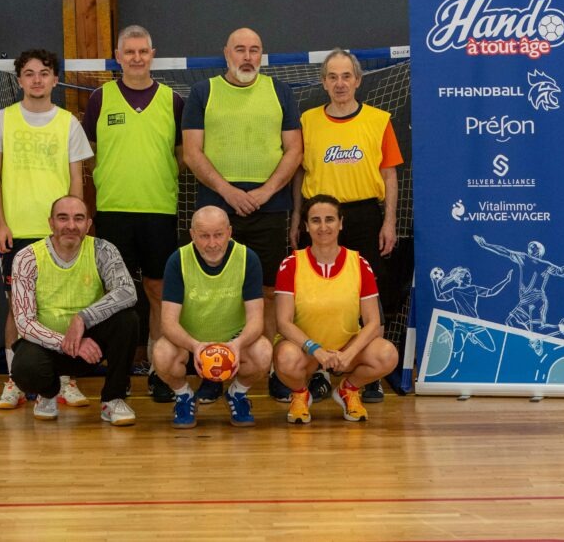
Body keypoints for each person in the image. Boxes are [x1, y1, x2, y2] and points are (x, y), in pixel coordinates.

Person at [182, 27, 301, 401]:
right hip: (216, 207)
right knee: (213, 293)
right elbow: (192, 153)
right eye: (240, 49)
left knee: (269, 292)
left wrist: (265, 191)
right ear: (226, 53)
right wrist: (228, 192)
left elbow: (294, 150)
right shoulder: (202, 92)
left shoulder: (280, 92)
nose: (247, 57)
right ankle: (212, 371)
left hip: (270, 207)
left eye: (254, 50)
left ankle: (271, 369)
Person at [0, 49, 94, 410]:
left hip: (59, 234)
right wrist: (0, 223)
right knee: (18, 309)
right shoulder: (1, 120)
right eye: (29, 73)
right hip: (18, 231)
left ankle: (65, 380)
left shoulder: (68, 123)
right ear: (19, 80)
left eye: (44, 73)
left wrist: (75, 227)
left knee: (63, 306)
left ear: (55, 79)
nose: (37, 79)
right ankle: (15, 380)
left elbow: (77, 180)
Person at [289, 48, 403, 403]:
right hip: (320, 218)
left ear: (358, 80)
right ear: (323, 82)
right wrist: (296, 217)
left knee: (370, 294)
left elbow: (389, 175)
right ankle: (319, 371)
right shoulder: (307, 121)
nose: (340, 84)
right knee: (316, 294)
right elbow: (299, 173)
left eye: (346, 76)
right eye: (333, 77)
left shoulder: (379, 120)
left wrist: (389, 221)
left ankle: (366, 377)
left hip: (365, 215)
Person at [82, 25, 184, 403]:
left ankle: (160, 370)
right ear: (118, 57)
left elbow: (182, 155)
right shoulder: (100, 98)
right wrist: (111, 176)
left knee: (159, 292)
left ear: (152, 55)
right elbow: (89, 152)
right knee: (116, 296)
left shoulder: (173, 101)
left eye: (143, 51)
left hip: (159, 210)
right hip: (113, 211)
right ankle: (119, 374)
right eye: (130, 52)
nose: (137, 57)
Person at [9, 196, 139, 425]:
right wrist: (67, 342)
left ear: (88, 224)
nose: (71, 225)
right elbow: (24, 322)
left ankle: (113, 399)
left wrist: (83, 318)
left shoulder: (103, 250)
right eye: (63, 218)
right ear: (51, 223)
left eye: (78, 219)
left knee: (128, 320)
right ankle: (48, 393)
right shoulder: (27, 257)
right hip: (48, 348)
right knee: (24, 369)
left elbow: (128, 291)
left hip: (92, 346)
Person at [274, 195, 398, 423]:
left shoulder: (359, 263)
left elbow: (372, 322)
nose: (323, 227)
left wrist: (349, 353)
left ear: (341, 223)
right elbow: (283, 322)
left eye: (329, 219)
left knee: (387, 354)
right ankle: (300, 394)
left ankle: (348, 390)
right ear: (306, 226)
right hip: (306, 349)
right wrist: (315, 350)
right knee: (285, 357)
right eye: (316, 220)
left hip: (345, 348)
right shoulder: (291, 264)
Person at [152, 206, 272, 428]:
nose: (212, 243)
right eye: (204, 236)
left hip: (233, 343)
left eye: (218, 235)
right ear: (192, 235)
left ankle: (237, 394)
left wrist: (237, 344)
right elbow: (168, 322)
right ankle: (184, 396)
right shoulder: (178, 260)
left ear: (229, 232)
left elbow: (256, 320)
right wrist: (195, 346)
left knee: (263, 351)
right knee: (161, 353)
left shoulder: (248, 258)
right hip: (190, 344)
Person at [473, 235, 564, 354]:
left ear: (539, 251)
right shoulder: (523, 258)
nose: (530, 248)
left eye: (534, 247)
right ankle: (534, 340)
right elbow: (504, 251)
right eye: (530, 246)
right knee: (510, 322)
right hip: (524, 301)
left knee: (537, 329)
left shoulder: (545, 265)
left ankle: (562, 327)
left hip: (537, 299)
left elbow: (561, 271)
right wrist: (485, 245)